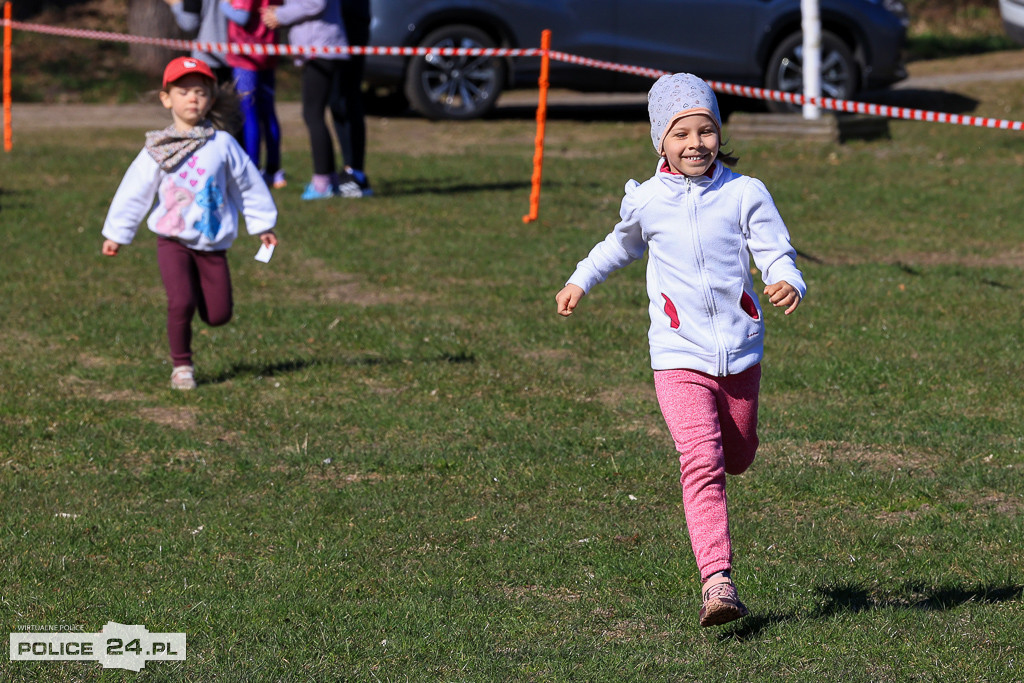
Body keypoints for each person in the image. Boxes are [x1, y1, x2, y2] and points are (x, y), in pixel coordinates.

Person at [554, 73, 806, 628]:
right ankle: (717, 582)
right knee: (702, 461)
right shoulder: (647, 202)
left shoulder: (745, 193)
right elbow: (615, 246)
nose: (696, 142)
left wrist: (787, 279)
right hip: (676, 356)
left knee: (737, 454)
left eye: (706, 130)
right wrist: (580, 280)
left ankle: (736, 456)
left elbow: (775, 250)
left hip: (740, 353)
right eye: (681, 133)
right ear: (660, 142)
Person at [101, 57, 279, 390]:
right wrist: (117, 234)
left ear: (211, 98)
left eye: (200, 91)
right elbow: (134, 191)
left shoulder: (223, 144)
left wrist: (262, 225)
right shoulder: (160, 148)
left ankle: (197, 292)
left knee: (218, 315)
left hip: (213, 243)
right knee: (180, 302)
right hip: (173, 240)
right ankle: (182, 366)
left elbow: (248, 186)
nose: (192, 99)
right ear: (166, 98)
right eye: (183, 92)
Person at [261, 0, 373, 199]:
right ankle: (329, 178)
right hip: (319, 46)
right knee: (315, 113)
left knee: (313, 114)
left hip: (321, 46)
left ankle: (322, 182)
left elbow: (315, 4)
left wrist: (281, 15)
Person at [221, 0, 286, 189]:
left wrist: (223, 4)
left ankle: (253, 169)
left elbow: (241, 16)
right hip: (268, 51)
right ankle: (274, 170)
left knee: (248, 112)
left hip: (246, 57)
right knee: (268, 112)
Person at [164, 0, 234, 85]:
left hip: (207, 58)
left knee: (205, 95)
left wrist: (175, 4)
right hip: (241, 56)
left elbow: (189, 23)